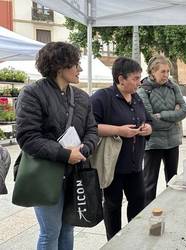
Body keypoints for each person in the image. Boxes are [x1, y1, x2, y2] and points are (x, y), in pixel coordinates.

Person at [15, 42, 98, 250]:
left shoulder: (81, 97)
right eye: (76, 64)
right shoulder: (32, 93)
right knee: (50, 231)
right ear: (60, 66)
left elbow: (92, 131)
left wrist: (83, 150)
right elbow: (27, 138)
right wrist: (63, 154)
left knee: (68, 228)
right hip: (45, 174)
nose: (79, 69)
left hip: (74, 171)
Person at [90, 57, 152, 240]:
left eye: (140, 78)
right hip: (113, 166)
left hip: (135, 165)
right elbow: (91, 127)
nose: (138, 82)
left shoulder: (137, 98)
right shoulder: (102, 97)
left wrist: (148, 127)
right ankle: (114, 241)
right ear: (120, 79)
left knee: (138, 201)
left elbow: (148, 120)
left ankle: (134, 239)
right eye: (135, 78)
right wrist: (119, 131)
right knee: (112, 206)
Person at [137, 55, 186, 205]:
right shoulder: (143, 90)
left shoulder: (173, 87)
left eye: (167, 71)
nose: (166, 75)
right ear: (152, 72)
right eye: (162, 72)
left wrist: (163, 115)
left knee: (173, 180)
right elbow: (149, 119)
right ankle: (148, 215)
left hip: (172, 142)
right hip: (153, 143)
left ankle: (171, 209)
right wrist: (174, 118)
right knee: (149, 183)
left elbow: (184, 111)